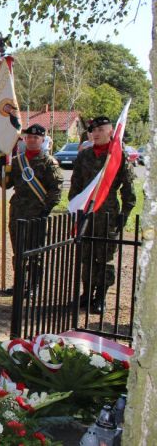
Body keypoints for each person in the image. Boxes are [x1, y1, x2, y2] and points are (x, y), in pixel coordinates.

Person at [69, 116, 136, 314]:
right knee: (86, 256)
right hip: (87, 212)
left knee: (104, 256)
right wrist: (75, 208)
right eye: (93, 131)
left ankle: (101, 296)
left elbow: (128, 189)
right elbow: (76, 184)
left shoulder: (118, 156)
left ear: (110, 131)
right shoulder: (84, 155)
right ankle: (86, 293)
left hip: (108, 214)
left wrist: (125, 213)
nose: (96, 134)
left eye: (100, 130)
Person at [0, 124, 63, 295]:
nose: (32, 140)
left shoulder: (49, 162)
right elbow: (6, 185)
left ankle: (34, 285)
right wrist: (1, 167)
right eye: (29, 137)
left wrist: (45, 210)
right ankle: (19, 283)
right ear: (25, 139)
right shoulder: (17, 161)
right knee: (18, 249)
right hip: (18, 211)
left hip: (37, 212)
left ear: (42, 140)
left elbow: (56, 189)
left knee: (35, 251)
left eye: (36, 137)